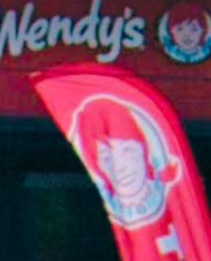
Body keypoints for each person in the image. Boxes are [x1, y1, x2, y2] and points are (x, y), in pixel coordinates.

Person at [70, 97, 180, 228]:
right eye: (107, 158)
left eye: (127, 150)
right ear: (97, 167)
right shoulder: (108, 209)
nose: (120, 167)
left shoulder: (164, 192)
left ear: (144, 150)